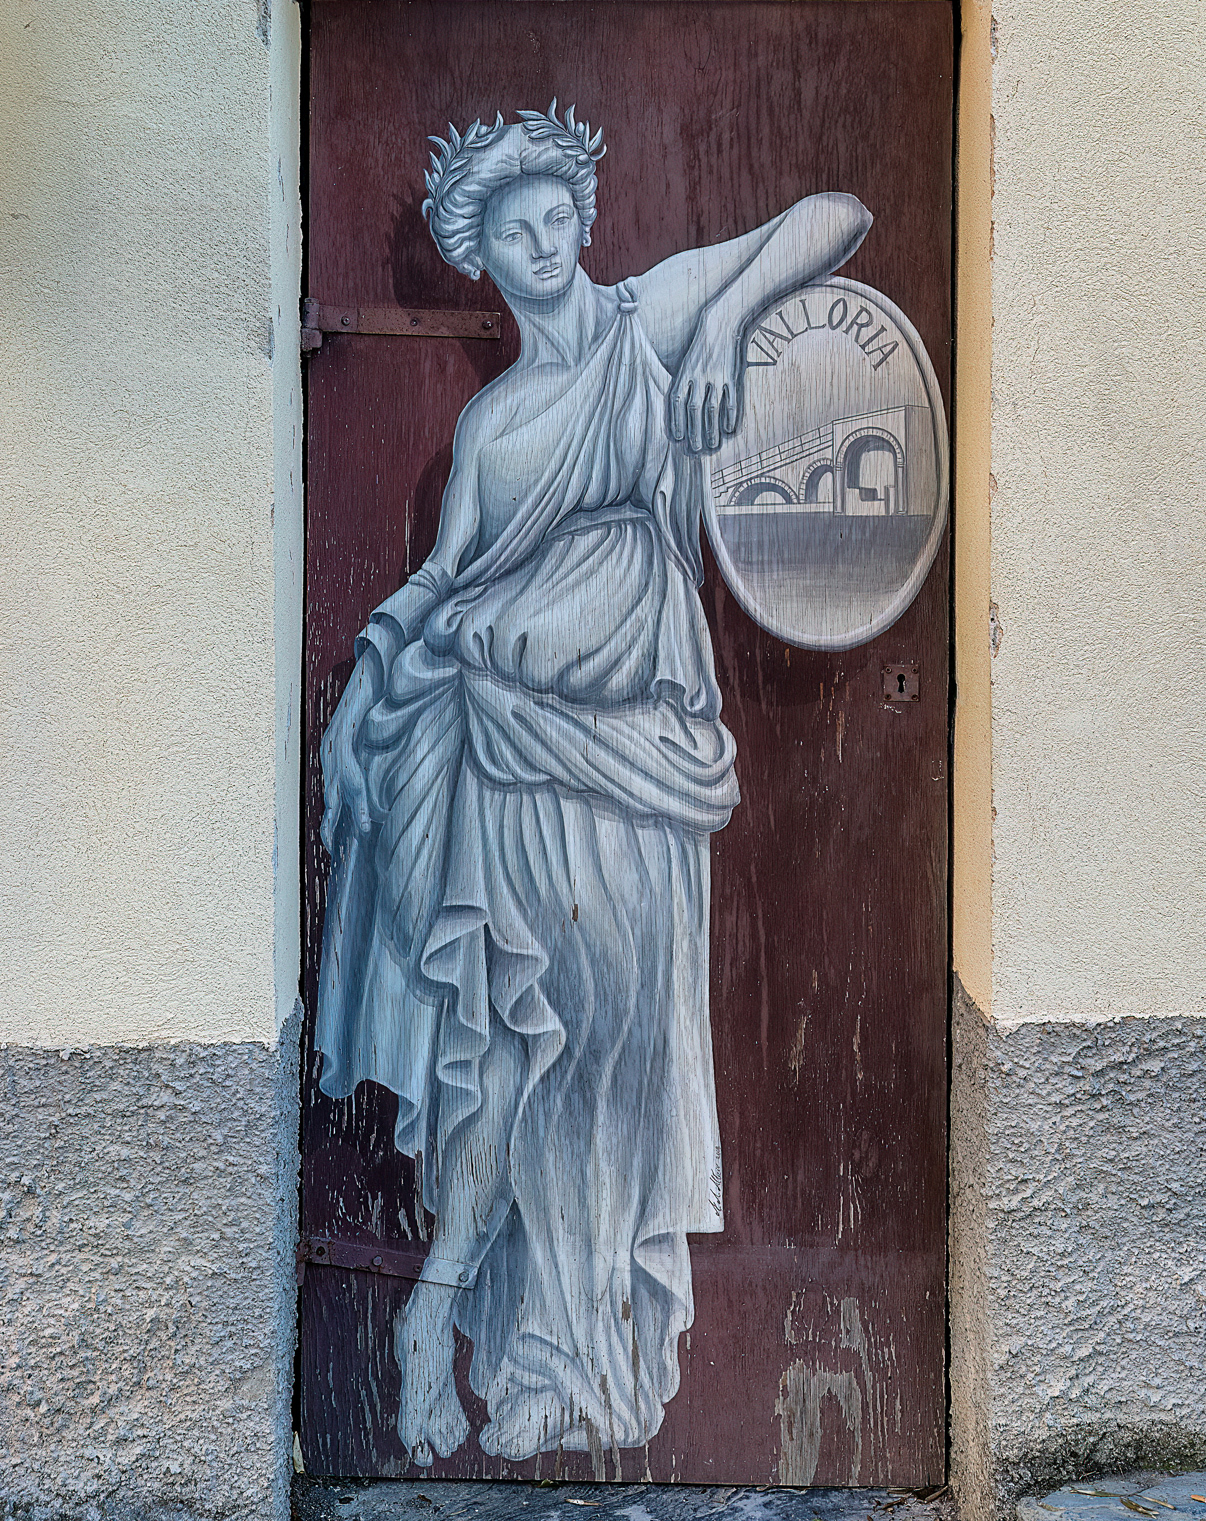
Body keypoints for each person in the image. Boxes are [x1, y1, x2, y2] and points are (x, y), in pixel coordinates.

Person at [315, 103, 870, 1465]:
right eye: (516, 231)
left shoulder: (650, 319)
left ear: (581, 216)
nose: (547, 244)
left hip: (640, 759)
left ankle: (580, 1351)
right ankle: (454, 1328)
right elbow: (445, 582)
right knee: (519, 1059)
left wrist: (726, 323)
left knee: (617, 1059)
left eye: (559, 215)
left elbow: (834, 218)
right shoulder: (496, 425)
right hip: (512, 753)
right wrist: (362, 695)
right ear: (483, 259)